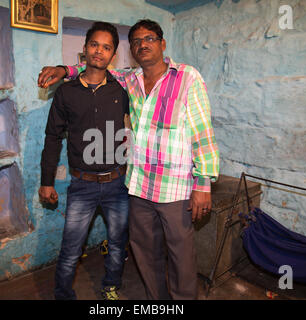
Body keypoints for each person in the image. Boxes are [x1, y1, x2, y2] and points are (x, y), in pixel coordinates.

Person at [38, 19, 219, 300]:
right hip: (137, 186)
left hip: (172, 188)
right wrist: (64, 70)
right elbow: (92, 70)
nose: (142, 44)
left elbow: (203, 132)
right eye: (136, 41)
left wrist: (203, 183)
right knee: (145, 256)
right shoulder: (128, 80)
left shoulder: (185, 77)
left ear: (162, 43)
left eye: (149, 38)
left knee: (180, 259)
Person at [39, 21, 130, 300]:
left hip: (118, 183)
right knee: (70, 249)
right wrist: (46, 182)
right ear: (85, 48)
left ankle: (111, 286)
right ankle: (63, 295)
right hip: (82, 185)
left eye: (106, 47)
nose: (99, 52)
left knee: (117, 244)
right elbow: (52, 138)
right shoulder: (66, 92)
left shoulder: (123, 89)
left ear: (113, 54)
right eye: (94, 44)